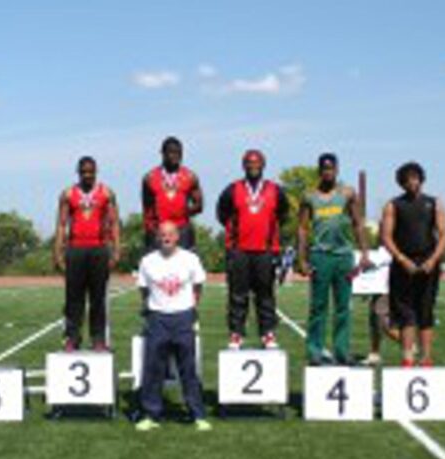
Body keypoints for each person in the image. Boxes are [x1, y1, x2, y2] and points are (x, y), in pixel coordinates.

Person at [135, 221, 211, 431]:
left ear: (177, 236)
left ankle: (197, 414)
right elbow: (143, 290)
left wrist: (190, 308)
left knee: (188, 369)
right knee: (153, 369)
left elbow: (198, 286)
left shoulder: (190, 259)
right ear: (157, 237)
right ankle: (151, 414)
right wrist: (152, 309)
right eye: (162, 234)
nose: (166, 238)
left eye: (170, 234)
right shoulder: (147, 261)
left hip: (183, 318)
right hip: (158, 319)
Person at [298, 153, 370, 365]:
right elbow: (302, 229)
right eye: (324, 168)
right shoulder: (309, 196)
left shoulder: (348, 193)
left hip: (343, 256)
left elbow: (358, 223)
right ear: (319, 171)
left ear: (337, 170)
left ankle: (341, 350)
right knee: (318, 306)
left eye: (331, 168)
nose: (328, 172)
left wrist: (364, 252)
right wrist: (302, 260)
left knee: (342, 307)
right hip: (320, 256)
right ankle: (314, 350)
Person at [217, 149, 290, 349]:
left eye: (256, 162)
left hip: (265, 251)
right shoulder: (232, 189)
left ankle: (267, 333)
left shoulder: (275, 190)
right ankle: (236, 333)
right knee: (237, 295)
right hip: (239, 250)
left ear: (263, 165)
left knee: (265, 294)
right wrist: (237, 233)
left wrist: (269, 235)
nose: (253, 166)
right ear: (243, 165)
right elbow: (222, 214)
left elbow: (283, 215)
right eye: (249, 163)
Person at [381, 161, 445, 367]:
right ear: (402, 182)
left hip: (429, 262)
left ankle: (426, 357)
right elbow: (386, 236)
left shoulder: (434, 203)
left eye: (416, 178)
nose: (413, 182)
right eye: (408, 179)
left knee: (426, 311)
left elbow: (444, 234)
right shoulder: (393, 205)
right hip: (403, 264)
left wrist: (433, 259)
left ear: (421, 179)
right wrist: (401, 259)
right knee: (406, 313)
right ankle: (408, 357)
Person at [53, 156, 120, 352]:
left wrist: (116, 249)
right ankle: (72, 338)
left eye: (91, 172)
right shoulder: (67, 194)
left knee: (98, 298)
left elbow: (115, 222)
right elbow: (61, 224)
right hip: (75, 250)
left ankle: (98, 338)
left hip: (99, 249)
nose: (87, 175)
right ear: (78, 172)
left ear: (96, 172)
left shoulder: (107, 193)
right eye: (84, 172)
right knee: (73, 298)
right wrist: (58, 251)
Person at [142, 137, 203, 251]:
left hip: (182, 231)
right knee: (157, 267)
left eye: (178, 153)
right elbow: (147, 209)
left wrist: (183, 212)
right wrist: (151, 232)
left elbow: (199, 206)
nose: (175, 156)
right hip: (158, 231)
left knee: (184, 267)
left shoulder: (190, 177)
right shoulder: (149, 178)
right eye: (171, 152)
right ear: (162, 153)